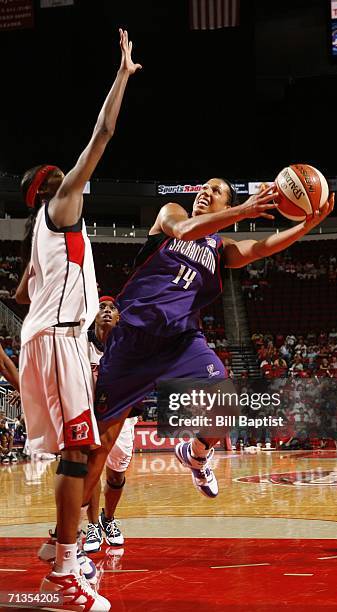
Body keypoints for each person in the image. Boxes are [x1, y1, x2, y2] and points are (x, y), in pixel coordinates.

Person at [79, 178, 334, 506]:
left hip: (180, 342)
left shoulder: (221, 248)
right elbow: (184, 231)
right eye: (204, 188)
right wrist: (246, 209)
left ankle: (196, 455)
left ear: (226, 207)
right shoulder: (172, 213)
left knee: (227, 404)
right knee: (99, 448)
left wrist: (304, 227)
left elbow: (260, 247)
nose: (205, 192)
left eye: (215, 191)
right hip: (132, 341)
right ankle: (66, 539)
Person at [15, 29, 141, 611]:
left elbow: (22, 290)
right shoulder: (61, 207)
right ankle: (65, 571)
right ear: (52, 187)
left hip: (45, 339)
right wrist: (121, 76)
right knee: (78, 453)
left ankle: (58, 548)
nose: (76, 179)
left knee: (76, 451)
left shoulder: (46, 235)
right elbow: (103, 134)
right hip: (61, 343)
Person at [84, 296, 137, 553]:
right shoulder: (80, 344)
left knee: (116, 474)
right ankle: (92, 524)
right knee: (90, 471)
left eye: (112, 308)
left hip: (121, 417)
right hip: (89, 415)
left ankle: (109, 518)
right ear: (94, 316)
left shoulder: (128, 346)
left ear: (119, 317)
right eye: (101, 308)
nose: (106, 311)